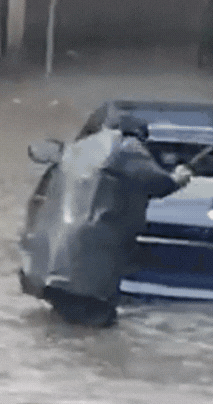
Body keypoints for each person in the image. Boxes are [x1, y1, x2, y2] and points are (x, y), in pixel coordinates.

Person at [42, 115, 194, 328]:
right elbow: (159, 184)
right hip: (95, 258)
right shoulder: (125, 146)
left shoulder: (82, 148)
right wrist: (179, 177)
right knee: (96, 324)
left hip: (60, 254)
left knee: (61, 321)